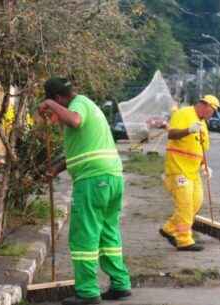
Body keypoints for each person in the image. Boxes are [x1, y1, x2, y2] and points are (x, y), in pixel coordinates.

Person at [38, 78, 132, 305]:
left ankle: (88, 292)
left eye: (55, 105)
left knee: (84, 234)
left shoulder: (78, 105)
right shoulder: (90, 105)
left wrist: (49, 103)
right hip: (112, 177)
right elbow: (83, 153)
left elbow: (75, 120)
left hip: (93, 181)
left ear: (60, 98)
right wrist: (56, 169)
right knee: (108, 233)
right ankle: (120, 284)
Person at [160, 95, 220, 251]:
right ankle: (184, 240)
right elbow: (171, 134)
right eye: (212, 111)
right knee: (185, 205)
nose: (212, 115)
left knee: (196, 202)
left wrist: (205, 167)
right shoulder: (184, 114)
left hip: (193, 172)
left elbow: (200, 149)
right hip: (178, 169)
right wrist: (189, 130)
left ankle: (169, 228)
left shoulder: (203, 124)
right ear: (205, 105)